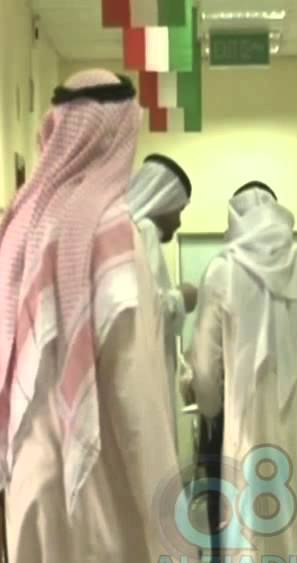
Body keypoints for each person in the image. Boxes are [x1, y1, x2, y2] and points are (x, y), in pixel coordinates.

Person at [0, 69, 180, 563]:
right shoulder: (110, 233)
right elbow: (136, 396)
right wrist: (172, 533)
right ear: (118, 133)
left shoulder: (16, 228)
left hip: (30, 490)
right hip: (96, 497)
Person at [187, 181, 297, 563]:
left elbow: (204, 372)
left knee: (253, 540)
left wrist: (212, 412)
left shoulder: (222, 271)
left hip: (248, 433)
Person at [128, 153, 198, 418]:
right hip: (142, 386)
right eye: (178, 211)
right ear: (162, 200)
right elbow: (148, 311)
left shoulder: (124, 231)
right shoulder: (143, 230)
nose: (178, 223)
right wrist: (183, 298)